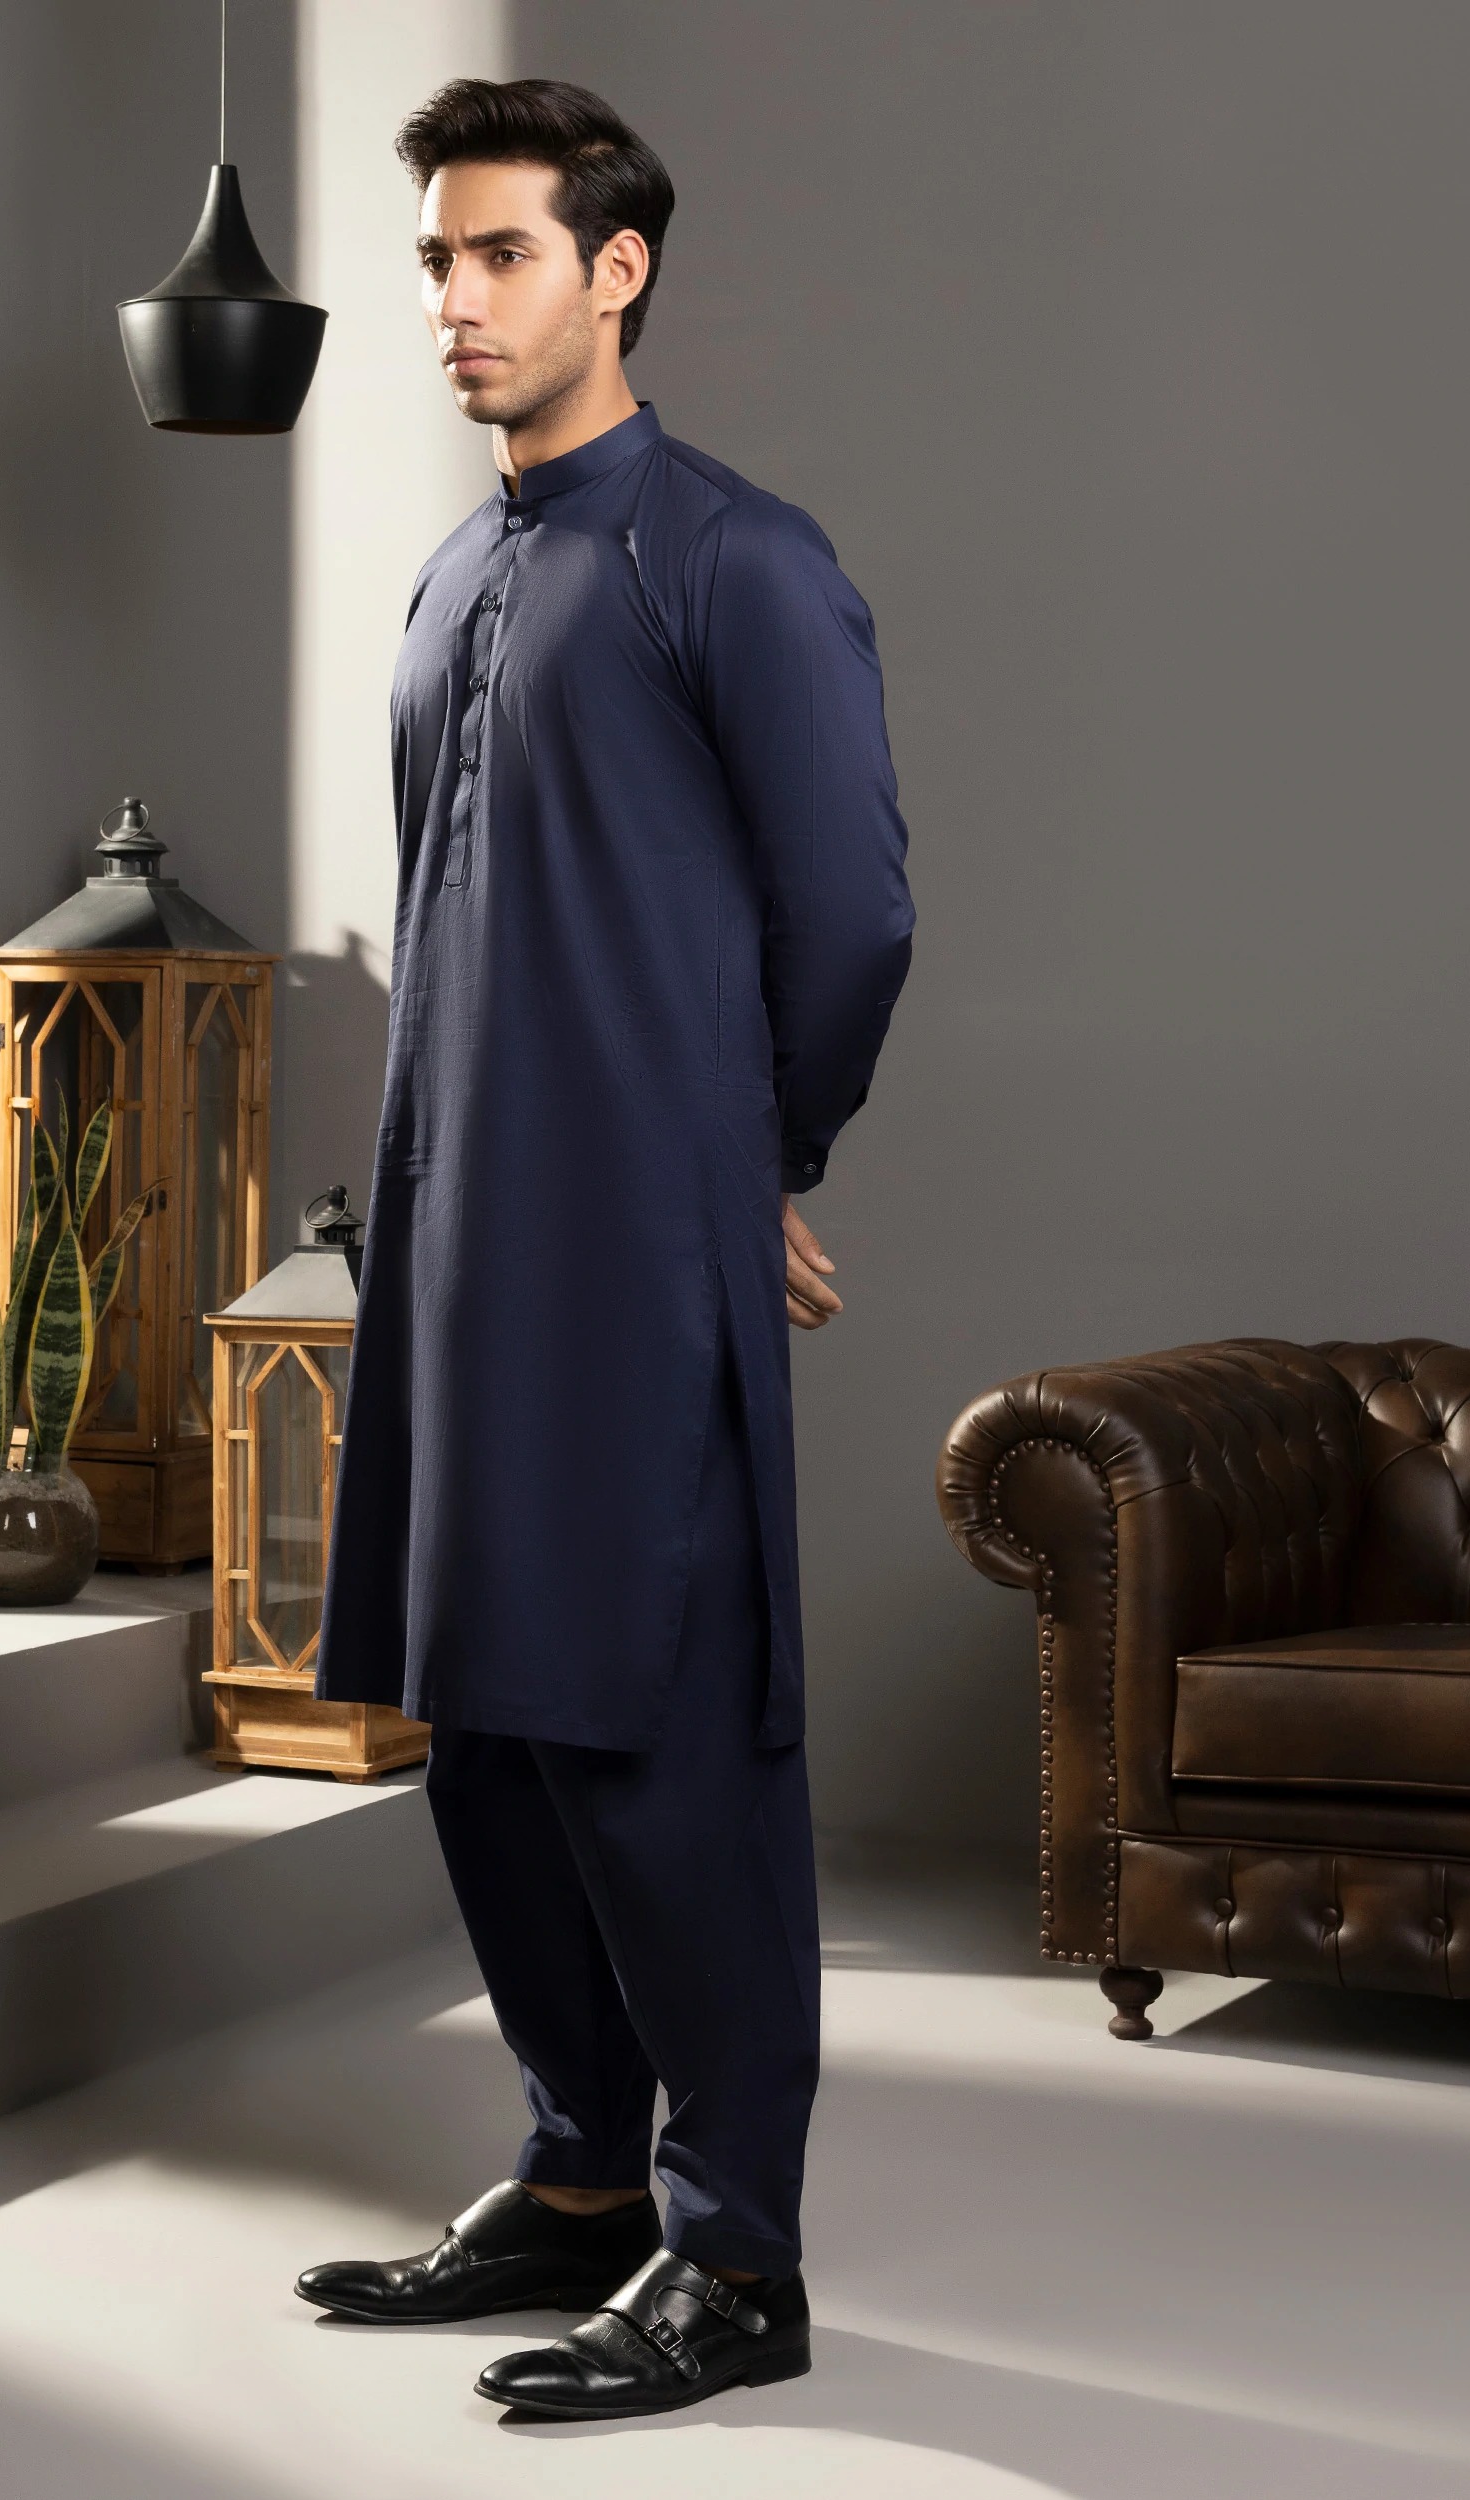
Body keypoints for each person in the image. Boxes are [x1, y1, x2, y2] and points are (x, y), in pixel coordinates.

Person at [295, 76, 913, 2422]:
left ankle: (732, 2251)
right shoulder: (457, 571)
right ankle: (573, 2174)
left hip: (637, 1247)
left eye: (500, 255)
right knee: (480, 1719)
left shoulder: (733, 558)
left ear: (613, 269)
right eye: (434, 261)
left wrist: (750, 1160)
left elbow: (849, 914)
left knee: (658, 1731)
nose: (453, 301)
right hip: (452, 1231)